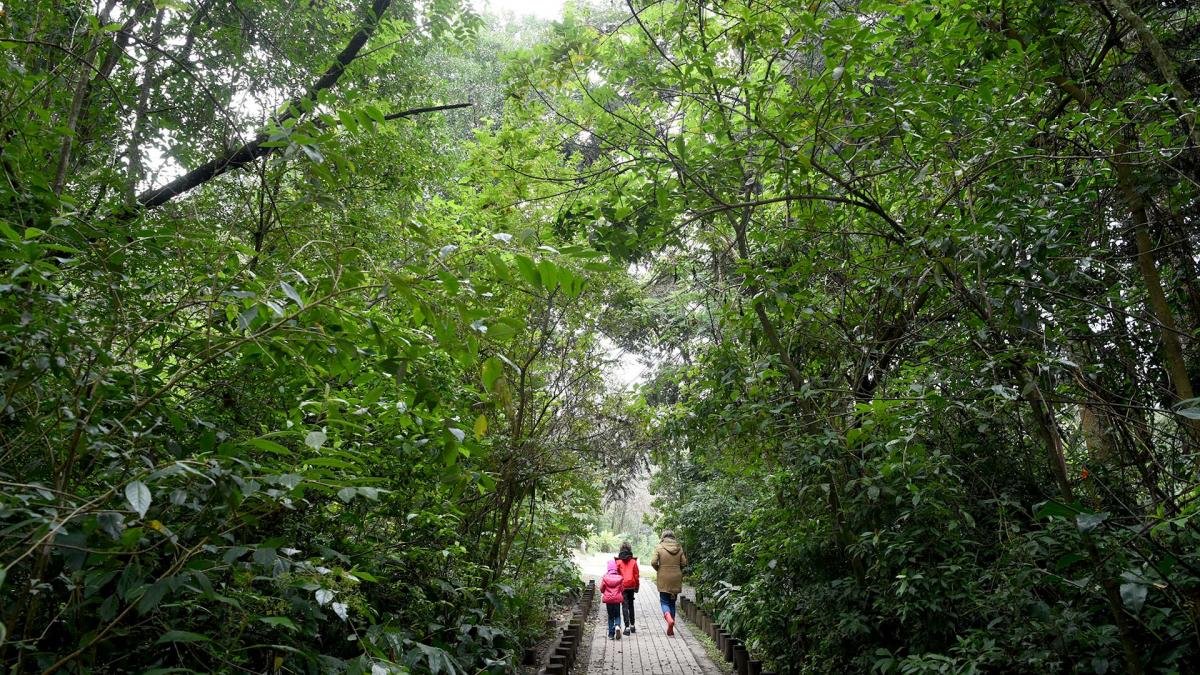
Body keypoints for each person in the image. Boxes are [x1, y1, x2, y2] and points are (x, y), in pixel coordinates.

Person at [651, 529, 687, 636]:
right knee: (672, 602)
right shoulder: (678, 547)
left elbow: (653, 562)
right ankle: (672, 623)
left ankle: (668, 619)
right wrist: (677, 569)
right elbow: (684, 563)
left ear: (663, 537)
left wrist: (659, 569)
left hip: (663, 577)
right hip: (676, 577)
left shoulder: (659, 547)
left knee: (664, 601)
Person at [615, 542, 640, 635]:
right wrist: (637, 586)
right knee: (631, 605)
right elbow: (636, 575)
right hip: (631, 585)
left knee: (624, 606)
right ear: (630, 550)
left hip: (622, 586)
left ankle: (627, 627)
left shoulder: (618, 562)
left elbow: (616, 575)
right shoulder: (633, 562)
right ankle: (633, 625)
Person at [600, 559, 625, 640]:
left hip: (609, 600)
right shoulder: (619, 578)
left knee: (610, 616)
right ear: (615, 568)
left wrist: (605, 591)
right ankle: (617, 625)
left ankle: (611, 634)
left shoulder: (605, 578)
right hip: (617, 600)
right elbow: (622, 589)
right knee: (617, 614)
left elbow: (602, 589)